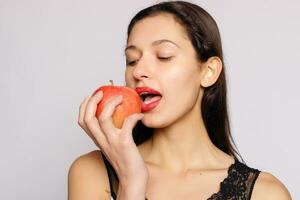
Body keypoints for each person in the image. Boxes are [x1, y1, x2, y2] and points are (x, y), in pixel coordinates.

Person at [68, 1, 292, 199]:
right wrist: (131, 183)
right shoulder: (91, 173)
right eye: (132, 60)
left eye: (164, 56)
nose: (139, 72)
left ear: (209, 71)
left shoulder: (265, 193)